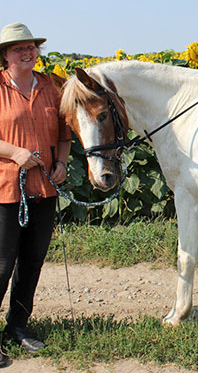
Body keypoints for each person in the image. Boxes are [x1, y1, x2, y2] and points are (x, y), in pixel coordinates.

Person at [0, 22, 71, 364]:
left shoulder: (50, 86)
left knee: (32, 261)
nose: (27, 52)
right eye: (18, 48)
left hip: (44, 187)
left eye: (31, 47)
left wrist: (62, 163)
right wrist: (15, 153)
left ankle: (18, 327)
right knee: (2, 264)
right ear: (5, 56)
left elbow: (65, 133)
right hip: (5, 189)